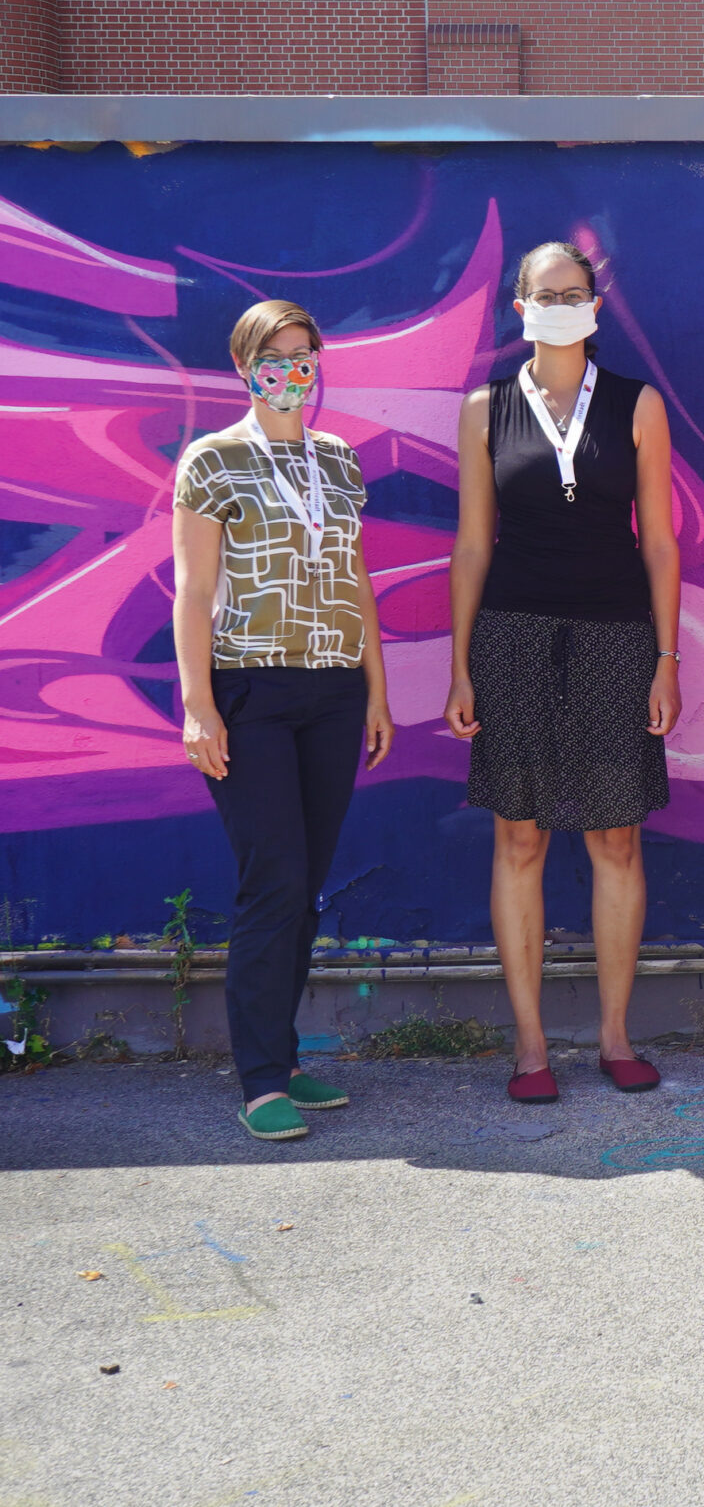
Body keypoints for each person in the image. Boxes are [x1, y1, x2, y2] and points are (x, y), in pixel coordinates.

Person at [445, 242, 682, 1103]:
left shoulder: (636, 405)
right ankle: (532, 1046)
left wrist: (667, 657)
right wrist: (460, 665)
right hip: (510, 637)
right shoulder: (484, 410)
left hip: (618, 638)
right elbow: (473, 545)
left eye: (572, 293)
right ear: (519, 306)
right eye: (543, 294)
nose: (558, 304)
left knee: (616, 838)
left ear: (595, 305)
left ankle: (616, 1036)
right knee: (520, 837)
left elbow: (659, 541)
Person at [172, 299, 394, 1143]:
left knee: (303, 887)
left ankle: (283, 1052)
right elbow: (193, 593)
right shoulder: (213, 461)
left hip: (333, 692)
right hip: (250, 694)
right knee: (272, 882)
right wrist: (198, 708)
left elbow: (357, 581)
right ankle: (259, 1078)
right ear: (243, 365)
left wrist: (374, 690)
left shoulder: (338, 461)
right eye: (274, 355)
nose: (291, 369)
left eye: (304, 353)